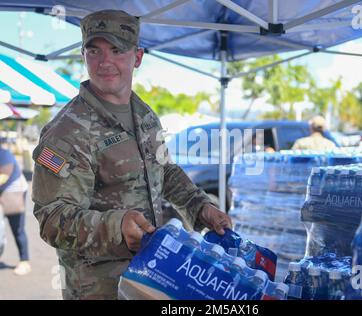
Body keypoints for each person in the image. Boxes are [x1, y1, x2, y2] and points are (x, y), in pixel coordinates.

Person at [31, 9, 232, 300]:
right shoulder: (66, 132)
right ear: (83, 55)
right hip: (100, 290)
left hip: (150, 280)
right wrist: (117, 226)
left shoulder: (144, 115)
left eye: (117, 50)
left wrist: (200, 207)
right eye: (94, 51)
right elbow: (52, 219)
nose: (105, 62)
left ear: (137, 57)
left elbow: (164, 169)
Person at [0, 146, 30, 275]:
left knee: (17, 229)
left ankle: (24, 261)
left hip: (13, 194)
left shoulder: (4, 154)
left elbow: (4, 176)